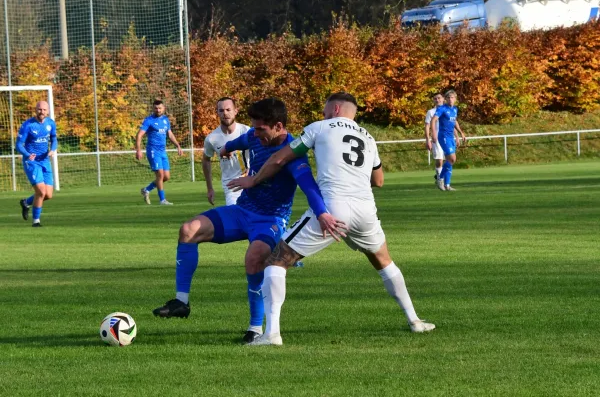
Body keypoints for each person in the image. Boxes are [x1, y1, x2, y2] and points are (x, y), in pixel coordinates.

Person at [228, 92, 435, 346]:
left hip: (334, 208)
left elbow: (281, 157)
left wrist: (254, 179)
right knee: (384, 262)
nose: (324, 115)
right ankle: (415, 321)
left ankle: (271, 334)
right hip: (366, 210)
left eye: (326, 111)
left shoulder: (319, 128)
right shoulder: (368, 138)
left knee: (276, 261)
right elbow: (378, 181)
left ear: (335, 109)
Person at [152, 98, 341, 344]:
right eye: (254, 127)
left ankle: (254, 329)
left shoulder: (294, 153)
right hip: (242, 212)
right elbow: (240, 141)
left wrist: (323, 213)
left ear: (279, 126)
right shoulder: (254, 136)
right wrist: (225, 149)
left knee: (254, 258)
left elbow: (309, 187)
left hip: (270, 220)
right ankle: (181, 302)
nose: (256, 133)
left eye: (261, 128)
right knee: (188, 230)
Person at [202, 97, 250, 206]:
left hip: (251, 181)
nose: (225, 113)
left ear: (235, 111)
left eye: (228, 110)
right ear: (217, 113)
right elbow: (206, 160)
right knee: (235, 216)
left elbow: (260, 151)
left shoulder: (247, 131)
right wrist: (210, 188)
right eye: (221, 110)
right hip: (231, 187)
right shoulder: (212, 138)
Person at [17, 101, 57, 227]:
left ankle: (26, 202)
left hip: (45, 161)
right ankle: (36, 221)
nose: (42, 112)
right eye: (39, 109)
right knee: (40, 191)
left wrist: (52, 149)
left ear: (48, 111)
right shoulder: (28, 125)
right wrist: (27, 154)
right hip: (32, 162)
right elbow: (18, 144)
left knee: (48, 195)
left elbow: (54, 138)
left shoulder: (50, 123)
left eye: (44, 109)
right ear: (36, 110)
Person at [137, 100, 183, 205]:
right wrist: (138, 150)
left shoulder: (166, 120)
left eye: (160, 108)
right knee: (160, 175)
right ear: (153, 109)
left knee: (166, 177)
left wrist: (178, 146)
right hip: (153, 151)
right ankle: (162, 200)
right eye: (156, 108)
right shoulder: (149, 120)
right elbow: (139, 135)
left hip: (162, 151)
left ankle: (146, 190)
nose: (158, 110)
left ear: (163, 108)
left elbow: (170, 134)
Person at [430, 90, 466, 192]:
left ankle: (447, 185)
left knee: (449, 161)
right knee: (452, 159)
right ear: (446, 99)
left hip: (451, 137)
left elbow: (454, 122)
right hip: (443, 137)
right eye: (448, 98)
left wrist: (461, 133)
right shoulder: (442, 108)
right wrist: (433, 133)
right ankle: (440, 179)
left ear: (455, 99)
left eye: (452, 97)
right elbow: (433, 120)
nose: (450, 99)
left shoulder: (454, 109)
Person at [424, 93, 446, 184]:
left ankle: (439, 175)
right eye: (435, 98)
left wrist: (456, 136)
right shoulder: (431, 112)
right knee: (439, 159)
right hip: (436, 138)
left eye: (439, 98)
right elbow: (427, 126)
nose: (437, 100)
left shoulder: (447, 110)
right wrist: (428, 140)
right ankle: (440, 180)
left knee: (448, 159)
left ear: (443, 99)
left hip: (446, 138)